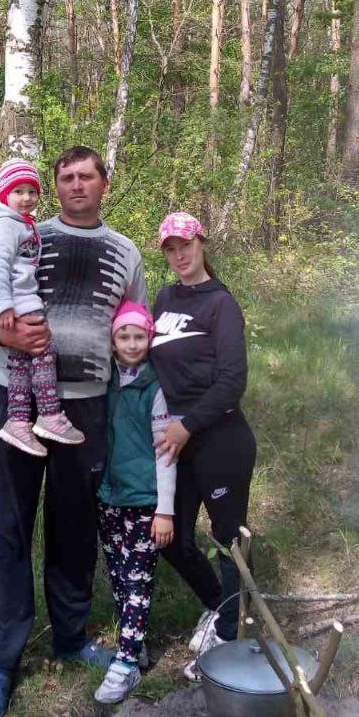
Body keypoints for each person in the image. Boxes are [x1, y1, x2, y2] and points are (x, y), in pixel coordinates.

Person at [0, 147, 147, 717]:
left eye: (85, 177)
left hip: (87, 410)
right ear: (54, 187)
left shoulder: (126, 253)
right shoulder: (22, 232)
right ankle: (1, 662)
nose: (74, 186)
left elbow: (133, 333)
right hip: (16, 406)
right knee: (11, 527)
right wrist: (7, 338)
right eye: (65, 178)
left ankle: (69, 636)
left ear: (104, 184)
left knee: (74, 527)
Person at [148, 211, 255, 680]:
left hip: (219, 437)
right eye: (169, 248)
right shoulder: (164, 298)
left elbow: (233, 381)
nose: (179, 255)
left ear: (202, 243)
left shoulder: (221, 304)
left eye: (185, 245)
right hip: (175, 438)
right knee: (170, 536)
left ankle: (230, 637)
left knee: (228, 538)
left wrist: (187, 426)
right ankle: (220, 605)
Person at [0, 158, 85, 456]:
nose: (26, 198)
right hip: (17, 301)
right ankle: (49, 414)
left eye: (31, 191)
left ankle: (18, 421)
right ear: (4, 194)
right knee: (43, 349)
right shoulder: (2, 225)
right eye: (18, 191)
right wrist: (2, 306)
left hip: (20, 297)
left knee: (21, 361)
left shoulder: (21, 224)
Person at [93, 301, 176, 705]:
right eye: (123, 336)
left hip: (144, 500)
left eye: (138, 336)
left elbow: (166, 453)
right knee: (119, 576)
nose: (130, 343)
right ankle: (135, 641)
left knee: (138, 580)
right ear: (112, 341)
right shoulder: (105, 380)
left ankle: (125, 663)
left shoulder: (156, 388)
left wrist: (165, 509)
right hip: (109, 496)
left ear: (149, 339)